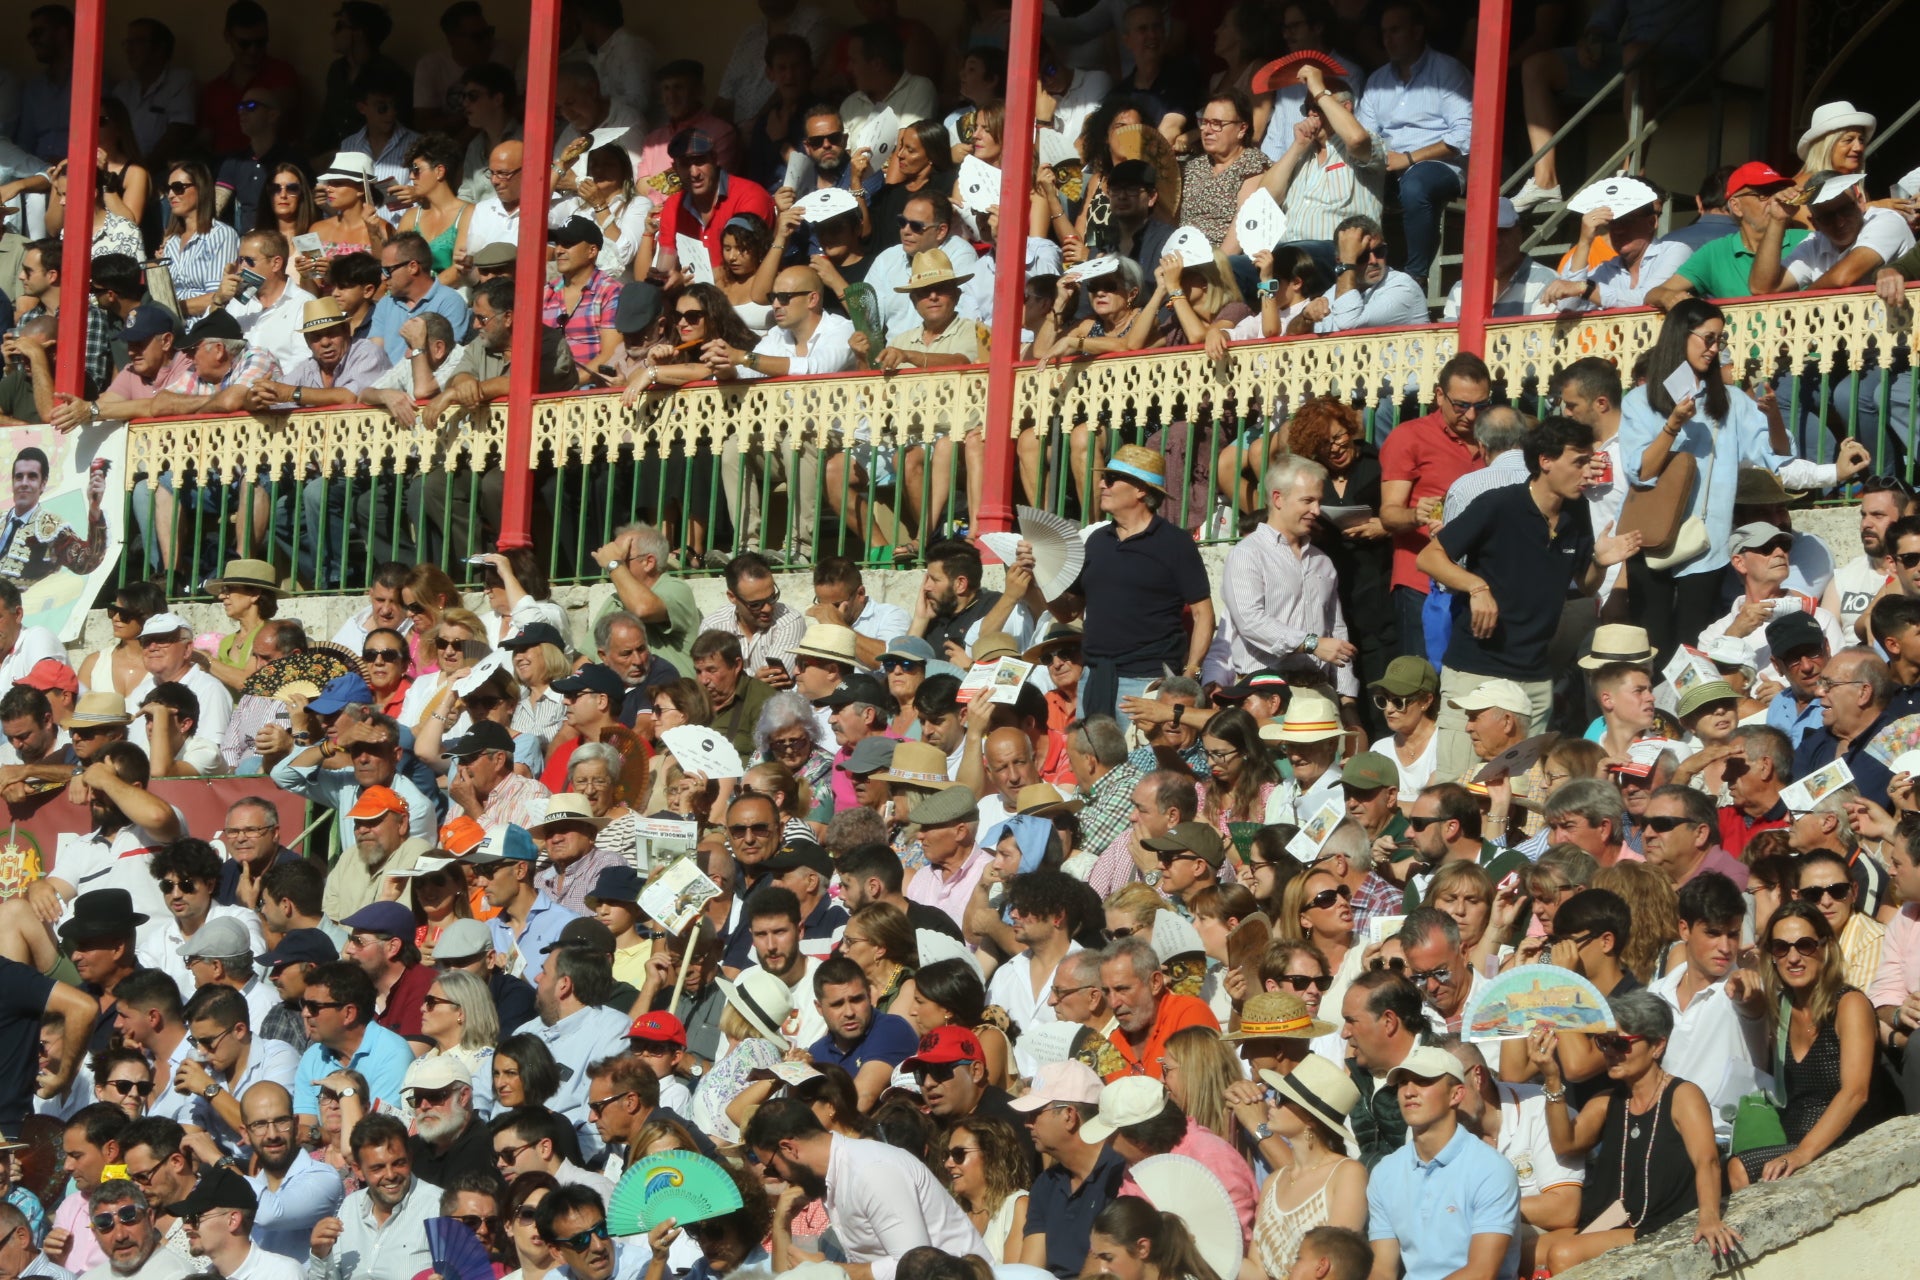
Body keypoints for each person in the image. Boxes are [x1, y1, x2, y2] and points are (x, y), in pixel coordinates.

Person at [1419, 417, 1639, 778]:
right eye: (1579, 461)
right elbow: (1428, 557)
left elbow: (1584, 584)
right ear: (1546, 461)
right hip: (1477, 671)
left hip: (1535, 678)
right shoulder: (1499, 504)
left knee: (1522, 792)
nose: (1588, 471)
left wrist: (1600, 561)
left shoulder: (1576, 510)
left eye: (1590, 460)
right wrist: (1477, 586)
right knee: (1458, 787)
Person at [1528, 992, 1738, 1272]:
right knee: (1520, 1248)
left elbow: (1707, 1161)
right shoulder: (1608, 1100)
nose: (1610, 1052)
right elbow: (1566, 1143)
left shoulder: (1683, 1096)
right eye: (1604, 1041)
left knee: (1563, 1254)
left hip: (1660, 1220)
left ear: (1657, 1046)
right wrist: (1553, 1079)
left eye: (1621, 1043)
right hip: (1614, 1218)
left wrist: (1710, 1217)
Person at [1726, 901, 1901, 1187]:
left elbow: (1856, 1092)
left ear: (1825, 948)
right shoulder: (1781, 1007)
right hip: (1793, 1141)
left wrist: (1801, 1154)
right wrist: (1746, 1001)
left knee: (1741, 1169)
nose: (1793, 957)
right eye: (1782, 948)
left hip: (1847, 1141)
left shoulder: (1849, 1004)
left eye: (1805, 945)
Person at [743, 1096, 990, 1276]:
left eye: (773, 1167)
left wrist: (829, 1272)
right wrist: (781, 1224)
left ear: (789, 1148)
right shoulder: (833, 1177)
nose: (778, 1177)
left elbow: (915, 1267)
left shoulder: (872, 1170)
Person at [1077, 447, 1213, 724]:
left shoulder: (1175, 543)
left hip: (1146, 682)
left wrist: (1190, 674)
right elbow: (1068, 610)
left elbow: (1203, 614)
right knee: (1091, 763)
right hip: (1093, 676)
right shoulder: (1096, 541)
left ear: (1140, 490)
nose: (1103, 484)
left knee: (1145, 764)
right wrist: (1038, 576)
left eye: (1112, 478)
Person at [1364, 1045, 1519, 1280]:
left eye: (1423, 1081)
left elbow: (1481, 1273)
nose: (1409, 1091)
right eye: (1403, 1082)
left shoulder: (1491, 1169)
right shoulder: (1385, 1172)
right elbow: (1382, 1270)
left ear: (1456, 1094)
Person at [1351, 3, 1471, 283]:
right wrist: (1378, 159)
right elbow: (1365, 136)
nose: (1388, 39)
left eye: (1396, 30)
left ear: (1417, 32)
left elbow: (1464, 135)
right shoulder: (1378, 80)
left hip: (1442, 165)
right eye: (1384, 32)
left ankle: (1416, 275)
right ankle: (1352, 274)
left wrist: (1409, 158)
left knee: (1416, 181)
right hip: (1389, 166)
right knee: (1345, 178)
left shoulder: (1447, 71)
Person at [1223, 454, 1358, 698]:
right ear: (1278, 498)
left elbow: (1336, 630)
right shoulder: (1248, 553)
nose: (1316, 510)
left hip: (1320, 691)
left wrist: (1348, 698)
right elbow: (1250, 621)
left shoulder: (1322, 562)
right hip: (1265, 692)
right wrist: (1311, 644)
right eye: (1307, 500)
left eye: (1319, 501)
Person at [307, 1114, 439, 1280]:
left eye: (398, 1163)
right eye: (378, 1168)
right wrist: (320, 1254)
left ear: (410, 1158)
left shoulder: (438, 1207)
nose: (390, 1175)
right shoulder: (351, 1207)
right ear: (358, 1170)